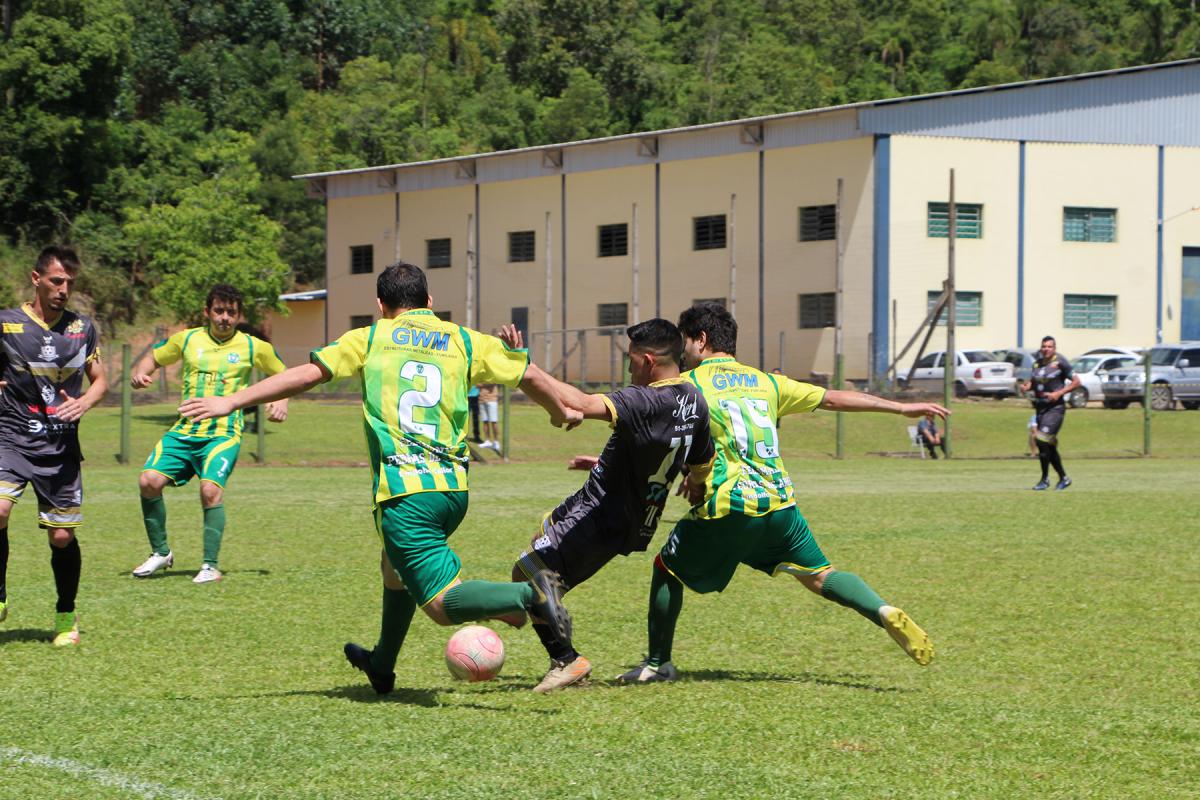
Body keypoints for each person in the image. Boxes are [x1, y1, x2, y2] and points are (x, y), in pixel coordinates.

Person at [178, 261, 577, 695]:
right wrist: (560, 411)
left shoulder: (369, 337)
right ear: (428, 302)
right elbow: (529, 373)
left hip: (406, 495)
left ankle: (529, 596)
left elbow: (307, 374)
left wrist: (233, 400)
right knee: (393, 568)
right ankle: (382, 664)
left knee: (443, 606)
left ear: (381, 306)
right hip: (453, 492)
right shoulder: (462, 339)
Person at [618, 303, 946, 683]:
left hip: (731, 505)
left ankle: (658, 664)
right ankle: (883, 610)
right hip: (781, 505)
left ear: (702, 340)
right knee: (820, 575)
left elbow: (669, 440)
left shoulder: (689, 386)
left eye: (685, 342)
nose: (680, 351)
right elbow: (832, 398)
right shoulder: (767, 382)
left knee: (667, 568)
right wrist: (900, 407)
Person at [506, 319, 714, 693]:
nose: (628, 368)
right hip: (631, 515)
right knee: (540, 557)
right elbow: (700, 464)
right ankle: (538, 619)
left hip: (602, 511)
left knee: (529, 572)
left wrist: (523, 365)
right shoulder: (694, 400)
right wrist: (695, 488)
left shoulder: (644, 400)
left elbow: (580, 403)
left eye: (631, 361)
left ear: (649, 361)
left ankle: (566, 660)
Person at [129, 284, 289, 584]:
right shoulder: (187, 339)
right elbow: (153, 357)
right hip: (184, 430)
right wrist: (141, 371)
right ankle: (160, 553)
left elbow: (283, 373)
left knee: (210, 490)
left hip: (223, 433)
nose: (225, 318)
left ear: (239, 316)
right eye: (219, 311)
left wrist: (281, 400)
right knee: (148, 481)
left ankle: (210, 566)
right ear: (207, 312)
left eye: (231, 312)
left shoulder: (253, 346)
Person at [0, 246, 107, 646]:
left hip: (59, 445)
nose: (63, 289)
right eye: (56, 281)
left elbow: (100, 380)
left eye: (69, 283)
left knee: (61, 537)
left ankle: (65, 615)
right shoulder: (7, 323)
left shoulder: (82, 328)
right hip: (10, 436)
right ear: (36, 279)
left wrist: (86, 401)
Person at [1020, 335, 1079, 491]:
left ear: (1054, 348)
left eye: (1049, 346)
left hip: (1055, 409)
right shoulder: (1036, 364)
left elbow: (1077, 382)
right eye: (1044, 346)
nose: (1046, 349)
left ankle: (1045, 479)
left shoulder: (1060, 363)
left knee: (1041, 440)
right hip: (1040, 409)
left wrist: (1059, 393)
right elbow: (1034, 382)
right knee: (1047, 446)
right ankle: (1063, 478)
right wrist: (1027, 386)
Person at [478, 382, 500, 451]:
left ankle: (496, 442)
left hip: (492, 400)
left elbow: (493, 384)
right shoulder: (481, 374)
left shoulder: (491, 374)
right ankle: (487, 441)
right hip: (482, 400)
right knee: (485, 421)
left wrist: (482, 384)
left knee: (494, 422)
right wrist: (484, 384)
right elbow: (476, 385)